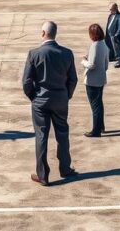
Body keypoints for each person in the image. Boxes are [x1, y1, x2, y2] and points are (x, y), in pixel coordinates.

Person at [22, 21, 78, 186]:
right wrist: (66, 95)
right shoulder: (67, 53)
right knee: (62, 134)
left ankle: (43, 175)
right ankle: (65, 169)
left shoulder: (34, 54)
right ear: (55, 34)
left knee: (41, 136)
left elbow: (26, 81)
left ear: (43, 33)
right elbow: (73, 79)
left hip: (41, 100)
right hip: (60, 99)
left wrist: (34, 97)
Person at [81, 23, 110, 137]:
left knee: (95, 106)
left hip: (92, 81)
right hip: (101, 79)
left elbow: (92, 65)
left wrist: (83, 61)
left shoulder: (94, 45)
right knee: (99, 104)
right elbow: (106, 65)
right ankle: (101, 126)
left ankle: (96, 130)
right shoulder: (104, 45)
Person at [105, 2, 120, 68]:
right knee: (110, 47)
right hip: (109, 35)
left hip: (115, 36)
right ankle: (111, 57)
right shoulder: (110, 16)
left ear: (116, 8)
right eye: (109, 9)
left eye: (111, 9)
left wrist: (116, 35)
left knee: (117, 48)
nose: (110, 11)